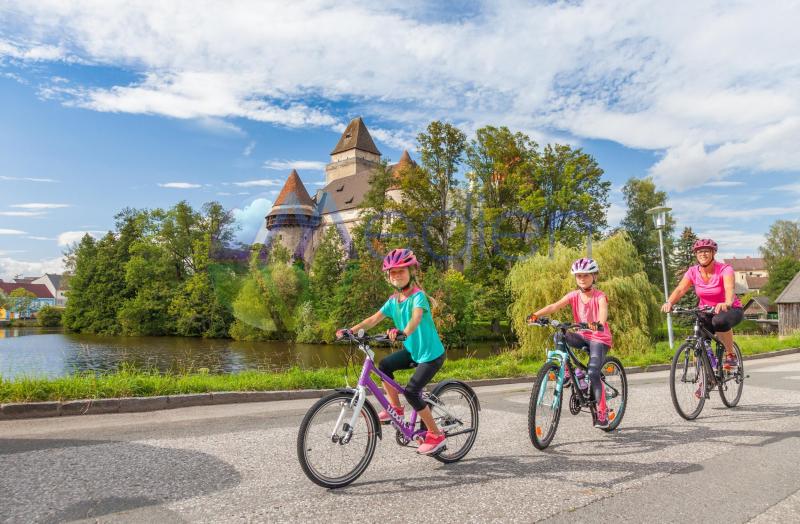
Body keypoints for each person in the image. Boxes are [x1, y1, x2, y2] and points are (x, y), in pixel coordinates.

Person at [336, 248, 447, 455]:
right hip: (414, 352)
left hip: (432, 355)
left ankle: (436, 434)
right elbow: (372, 319)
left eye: (401, 271)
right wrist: (350, 330)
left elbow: (415, 318)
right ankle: (395, 409)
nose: (397, 275)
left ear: (410, 272)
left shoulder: (418, 297)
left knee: (412, 392)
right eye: (392, 272)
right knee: (385, 365)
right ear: (388, 277)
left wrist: (403, 332)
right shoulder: (392, 301)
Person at [527, 258, 614, 429]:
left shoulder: (600, 296)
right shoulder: (573, 295)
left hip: (599, 338)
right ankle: (568, 370)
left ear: (594, 276)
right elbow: (554, 306)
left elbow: (603, 311)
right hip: (582, 335)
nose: (582, 279)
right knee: (560, 335)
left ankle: (603, 411)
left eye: (586, 275)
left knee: (594, 372)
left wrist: (598, 323)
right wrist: (535, 315)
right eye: (578, 276)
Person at [661, 238, 743, 380]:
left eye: (706, 251)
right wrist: (669, 302)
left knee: (719, 322)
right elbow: (681, 289)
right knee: (701, 338)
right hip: (706, 310)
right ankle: (707, 380)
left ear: (713, 253)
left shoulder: (725, 269)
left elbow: (729, 288)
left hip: (730, 309)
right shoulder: (693, 271)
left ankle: (730, 355)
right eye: (699, 251)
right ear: (696, 254)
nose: (702, 254)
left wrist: (727, 302)